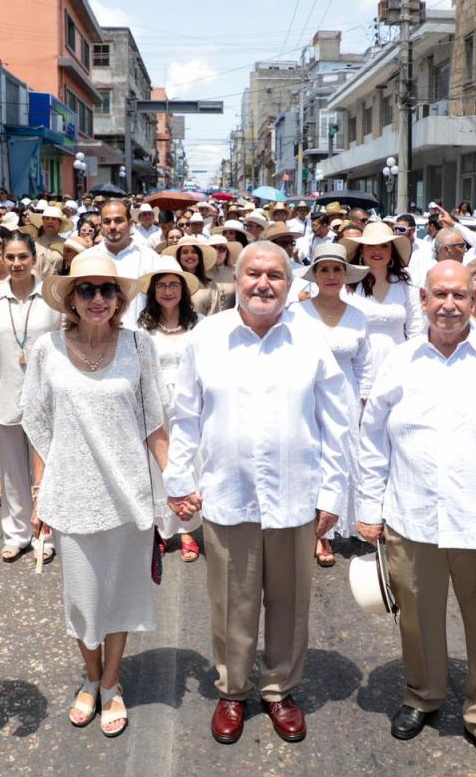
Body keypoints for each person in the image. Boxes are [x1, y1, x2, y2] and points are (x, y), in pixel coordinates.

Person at [356, 261, 476, 776]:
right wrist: (368, 509)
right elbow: (373, 440)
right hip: (412, 516)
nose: (449, 305)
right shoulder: (399, 361)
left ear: (474, 299)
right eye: (439, 295)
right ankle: (423, 695)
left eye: (459, 295)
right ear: (423, 299)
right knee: (417, 620)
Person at [164, 241, 351, 747]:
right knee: (233, 604)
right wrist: (178, 480)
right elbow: (185, 415)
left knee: (290, 604)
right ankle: (233, 689)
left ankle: (279, 688)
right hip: (230, 496)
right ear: (237, 279)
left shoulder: (309, 339)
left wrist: (333, 492)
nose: (264, 284)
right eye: (254, 274)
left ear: (289, 285)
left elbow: (337, 422)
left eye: (275, 275)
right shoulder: (208, 337)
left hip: (295, 497)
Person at [24, 250, 168, 738]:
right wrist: (40, 491)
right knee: (83, 598)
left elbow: (154, 422)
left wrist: (176, 485)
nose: (98, 299)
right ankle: (90, 675)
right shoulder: (46, 349)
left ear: (120, 299)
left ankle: (110, 682)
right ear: (71, 299)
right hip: (72, 492)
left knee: (120, 593)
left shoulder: (139, 346)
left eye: (108, 290)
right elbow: (38, 425)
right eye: (86, 289)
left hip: (129, 491)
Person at [0, 232, 61, 563]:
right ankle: (16, 534)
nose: (16, 263)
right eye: (9, 257)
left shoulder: (52, 296)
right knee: (11, 470)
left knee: (46, 466)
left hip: (46, 393)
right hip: (6, 388)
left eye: (22, 256)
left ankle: (45, 533)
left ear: (34, 258)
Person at [294, 243, 373, 567]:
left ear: (345, 275)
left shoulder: (357, 315)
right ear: (314, 275)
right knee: (311, 456)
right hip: (307, 392)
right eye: (324, 269)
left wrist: (364, 402)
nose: (330, 275)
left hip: (345, 394)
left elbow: (364, 364)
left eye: (337, 269)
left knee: (342, 457)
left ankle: (337, 520)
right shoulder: (296, 313)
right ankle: (316, 533)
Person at [137, 257, 205, 563]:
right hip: (156, 404)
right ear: (153, 291)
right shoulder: (141, 328)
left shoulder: (200, 323)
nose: (168, 291)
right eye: (161, 285)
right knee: (158, 466)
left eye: (174, 285)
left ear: (183, 289)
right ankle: (162, 530)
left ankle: (188, 529)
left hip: (193, 405)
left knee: (191, 463)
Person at [342, 222, 425, 373]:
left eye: (384, 246)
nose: (377, 251)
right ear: (361, 249)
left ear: (392, 251)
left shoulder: (406, 284)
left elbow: (415, 328)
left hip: (398, 367)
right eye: (371, 246)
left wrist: (415, 366)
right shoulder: (346, 285)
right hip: (357, 368)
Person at [92, 200, 161, 323]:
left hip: (139, 331)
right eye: (107, 221)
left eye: (119, 220)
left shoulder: (150, 258)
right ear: (101, 225)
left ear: (130, 224)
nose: (112, 226)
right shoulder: (89, 257)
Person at [164, 236, 224, 315]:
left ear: (199, 256)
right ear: (179, 257)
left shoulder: (210, 285)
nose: (190, 255)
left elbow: (215, 315)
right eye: (185, 252)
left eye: (194, 252)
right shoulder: (169, 284)